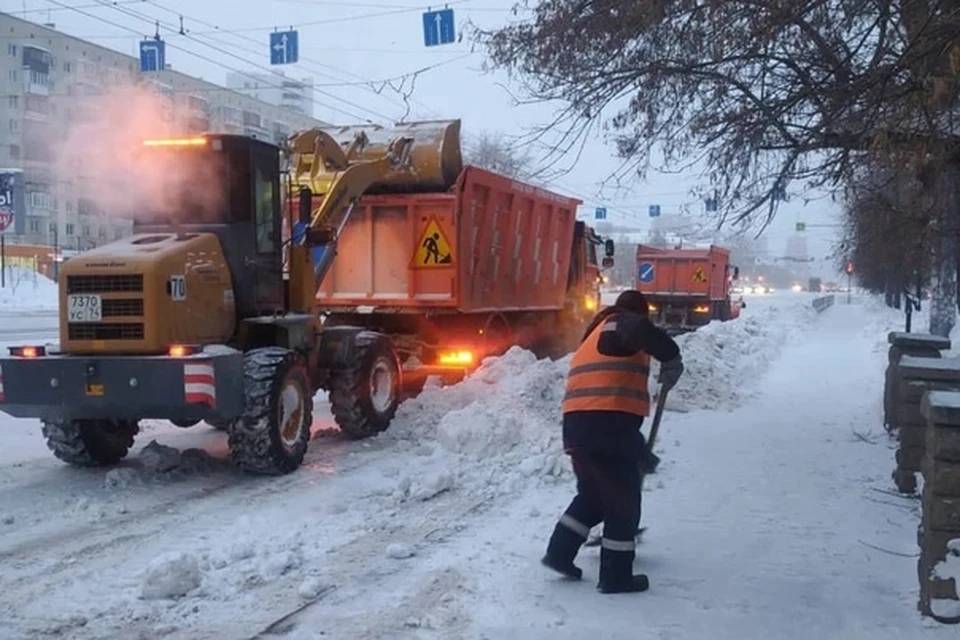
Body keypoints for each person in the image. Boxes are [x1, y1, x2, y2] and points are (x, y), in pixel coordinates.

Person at [541, 289, 683, 594]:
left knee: (592, 497)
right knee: (623, 502)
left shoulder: (594, 336)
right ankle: (616, 576)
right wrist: (671, 357)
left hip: (579, 427)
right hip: (606, 425)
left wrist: (637, 449)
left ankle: (559, 554)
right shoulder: (620, 323)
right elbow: (639, 329)